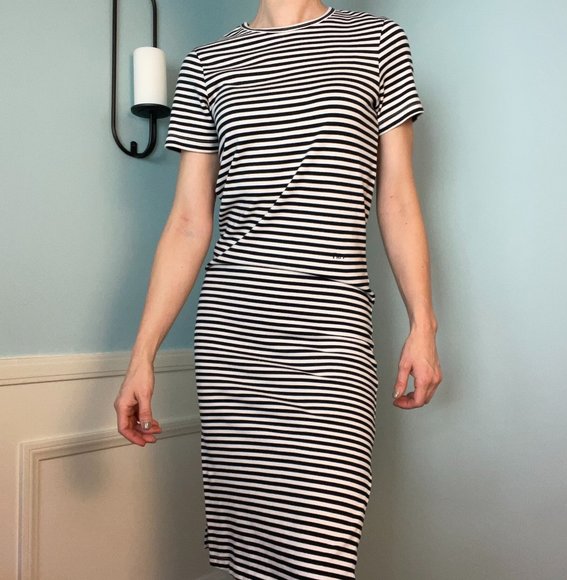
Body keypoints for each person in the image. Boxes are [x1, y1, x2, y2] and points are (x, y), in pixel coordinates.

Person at [114, 1, 442, 578]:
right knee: (252, 556)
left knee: (319, 554)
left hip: (330, 335)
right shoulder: (205, 64)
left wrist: (423, 323)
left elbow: (396, 197)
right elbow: (189, 221)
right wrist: (142, 356)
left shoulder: (377, 41)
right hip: (232, 340)